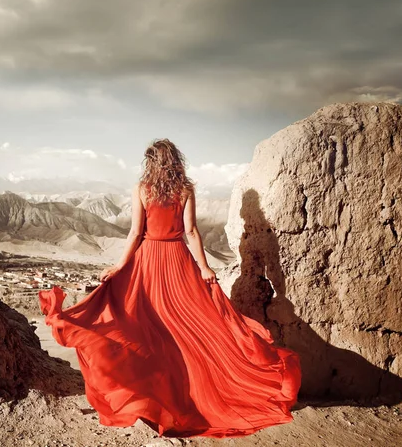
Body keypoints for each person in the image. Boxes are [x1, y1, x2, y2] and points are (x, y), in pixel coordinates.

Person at [38, 138, 301, 438]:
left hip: (148, 260)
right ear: (176, 161)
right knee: (190, 330)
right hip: (177, 261)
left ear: (150, 162)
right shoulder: (185, 189)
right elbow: (190, 231)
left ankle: (156, 400)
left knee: (147, 330)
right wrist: (202, 267)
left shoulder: (141, 189)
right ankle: (185, 396)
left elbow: (136, 232)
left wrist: (122, 266)